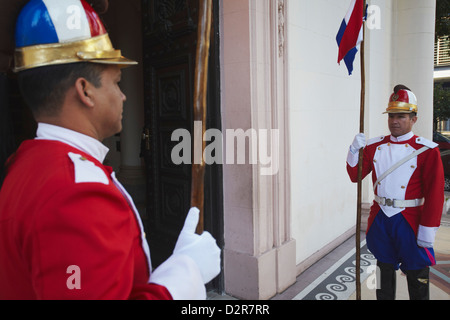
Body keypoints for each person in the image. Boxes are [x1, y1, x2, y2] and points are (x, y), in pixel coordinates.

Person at [0, 0, 220, 300]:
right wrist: (185, 274)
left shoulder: (26, 163)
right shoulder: (75, 194)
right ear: (85, 90)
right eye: (115, 82)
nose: (123, 95)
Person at [346, 85, 444, 300]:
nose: (394, 121)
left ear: (413, 119)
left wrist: (427, 230)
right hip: (382, 219)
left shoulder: (427, 150)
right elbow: (355, 175)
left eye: (401, 116)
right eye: (391, 116)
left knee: (417, 275)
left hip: (410, 221)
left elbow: (435, 195)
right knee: (383, 270)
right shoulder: (374, 146)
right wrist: (354, 150)